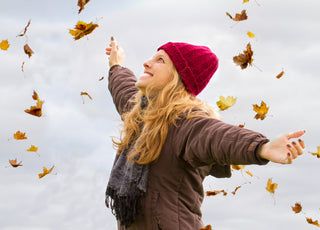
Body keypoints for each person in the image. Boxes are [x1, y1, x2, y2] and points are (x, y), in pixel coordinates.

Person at [105, 37, 305, 230]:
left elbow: (216, 137)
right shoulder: (142, 117)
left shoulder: (186, 123)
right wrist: (116, 65)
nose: (147, 63)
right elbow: (123, 90)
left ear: (178, 78)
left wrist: (261, 147)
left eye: (160, 60)